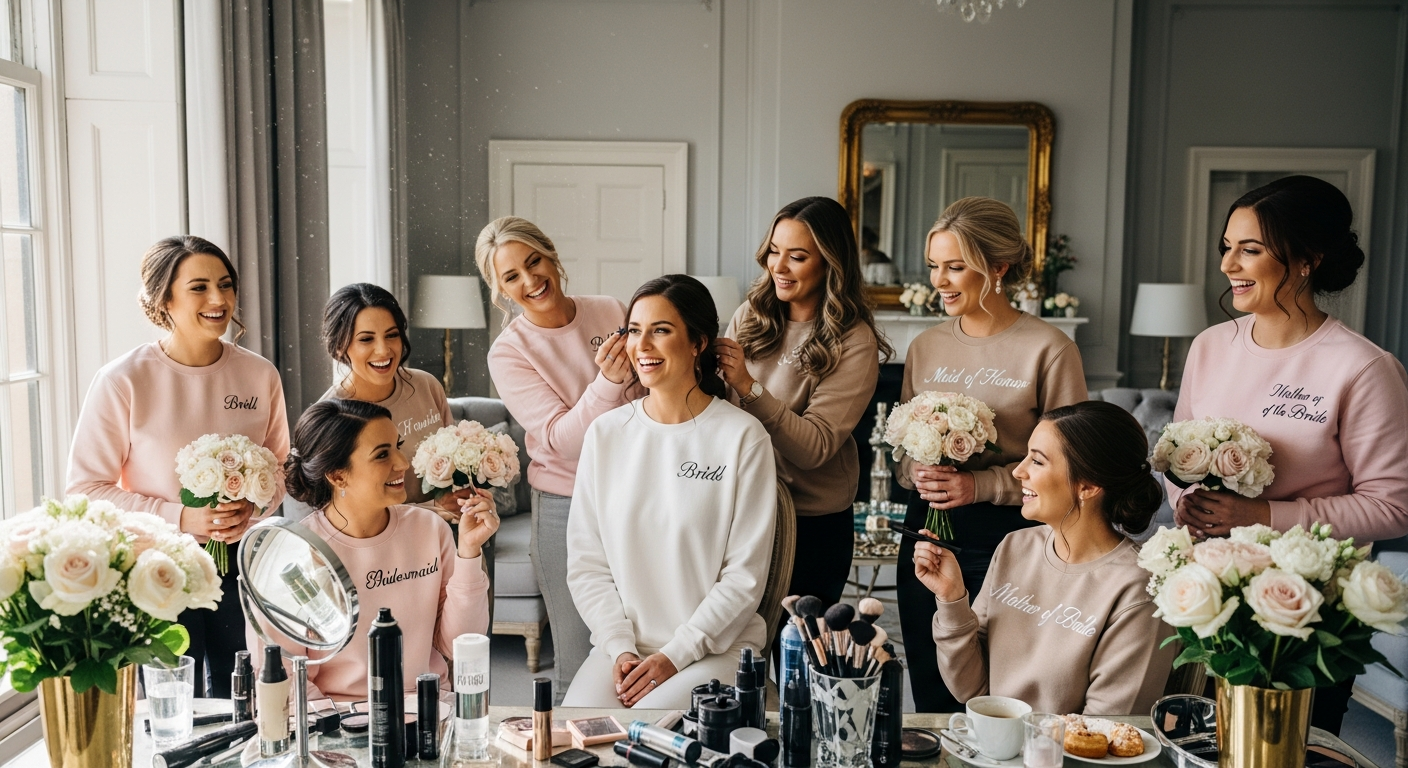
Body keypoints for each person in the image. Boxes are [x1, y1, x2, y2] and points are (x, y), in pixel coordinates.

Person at [1171, 174, 1408, 732]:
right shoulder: (1209, 346)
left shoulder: (1363, 368)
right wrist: (1185, 500)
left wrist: (1264, 516)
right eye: (1226, 247)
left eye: (1249, 250)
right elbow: (1177, 455)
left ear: (1307, 260)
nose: (1229, 264)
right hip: (1208, 597)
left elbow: (1393, 506)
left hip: (1307, 615)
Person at [67, 235, 289, 697]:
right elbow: (86, 490)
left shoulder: (259, 375)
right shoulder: (122, 380)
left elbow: (280, 470)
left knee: (244, 703)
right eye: (199, 287)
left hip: (242, 576)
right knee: (172, 709)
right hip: (156, 576)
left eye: (226, 285)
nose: (218, 300)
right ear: (163, 299)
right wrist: (180, 518)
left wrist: (254, 509)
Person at [895, 197, 1087, 712]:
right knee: (933, 691)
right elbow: (899, 455)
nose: (940, 280)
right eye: (934, 266)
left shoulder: (1049, 348)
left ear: (998, 267)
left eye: (956, 267)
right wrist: (915, 469)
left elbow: (1073, 465)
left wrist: (981, 485)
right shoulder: (925, 347)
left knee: (1000, 694)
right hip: (928, 536)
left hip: (1013, 542)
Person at [564, 275, 777, 709]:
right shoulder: (605, 434)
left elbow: (744, 579)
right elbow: (587, 564)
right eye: (634, 331)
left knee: (639, 738)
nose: (642, 345)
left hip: (717, 650)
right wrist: (619, 646)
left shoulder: (742, 437)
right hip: (622, 650)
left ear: (698, 342)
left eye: (660, 331)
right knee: (574, 736)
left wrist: (673, 656)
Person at [915, 401, 1174, 715]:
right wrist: (952, 598)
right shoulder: (1015, 547)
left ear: (1089, 485)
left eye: (1037, 461)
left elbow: (1107, 731)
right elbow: (971, 689)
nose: (1018, 471)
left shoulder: (1138, 590)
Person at [480, 216, 639, 695]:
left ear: (552, 256)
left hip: (636, 493)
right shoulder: (509, 353)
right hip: (566, 506)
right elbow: (561, 439)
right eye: (511, 276)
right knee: (579, 651)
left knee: (642, 640)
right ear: (500, 289)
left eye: (534, 262)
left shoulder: (611, 309)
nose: (530, 280)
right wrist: (609, 384)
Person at [252, 398, 495, 701]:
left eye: (397, 445)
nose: (403, 462)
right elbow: (285, 682)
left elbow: (460, 642)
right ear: (338, 475)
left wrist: (469, 552)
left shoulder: (429, 529)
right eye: (382, 454)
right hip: (339, 724)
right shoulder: (295, 555)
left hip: (427, 712)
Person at [717, 196, 888, 609]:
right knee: (741, 645)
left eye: (797, 256)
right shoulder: (751, 314)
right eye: (774, 251)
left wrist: (748, 387)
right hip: (742, 508)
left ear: (831, 262)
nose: (778, 266)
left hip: (813, 523)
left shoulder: (854, 340)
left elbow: (814, 447)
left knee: (797, 648)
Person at [319, 283, 488, 523]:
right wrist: (431, 510)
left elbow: (455, 469)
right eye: (366, 339)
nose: (383, 350)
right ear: (339, 346)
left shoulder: (426, 386)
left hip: (449, 534)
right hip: (384, 549)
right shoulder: (331, 415)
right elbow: (337, 515)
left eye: (392, 335)